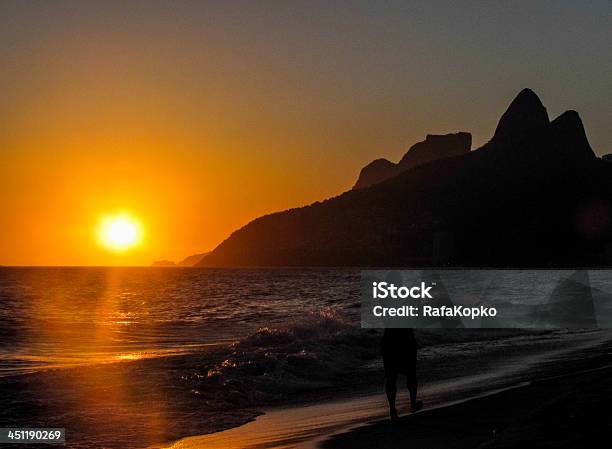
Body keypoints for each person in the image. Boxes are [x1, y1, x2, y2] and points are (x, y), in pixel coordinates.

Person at [382, 328, 423, 420]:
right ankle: (413, 404)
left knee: (390, 376)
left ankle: (392, 410)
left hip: (389, 341)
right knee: (411, 373)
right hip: (406, 340)